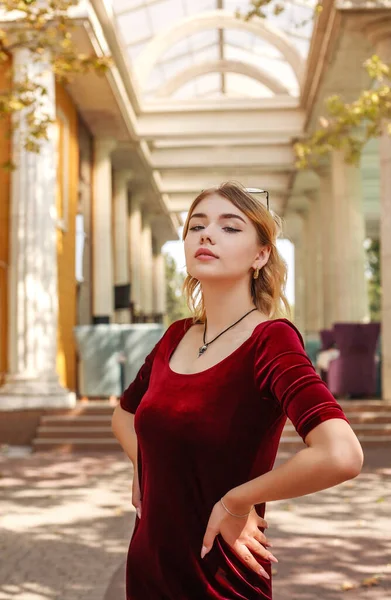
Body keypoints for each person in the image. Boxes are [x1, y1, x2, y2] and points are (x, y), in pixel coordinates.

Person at [111, 181, 364, 600]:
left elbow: (342, 454)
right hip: (148, 569)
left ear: (260, 255)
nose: (206, 235)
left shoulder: (272, 340)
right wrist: (149, 468)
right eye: (196, 226)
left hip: (220, 577)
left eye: (230, 227)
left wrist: (238, 501)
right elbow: (124, 416)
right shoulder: (175, 336)